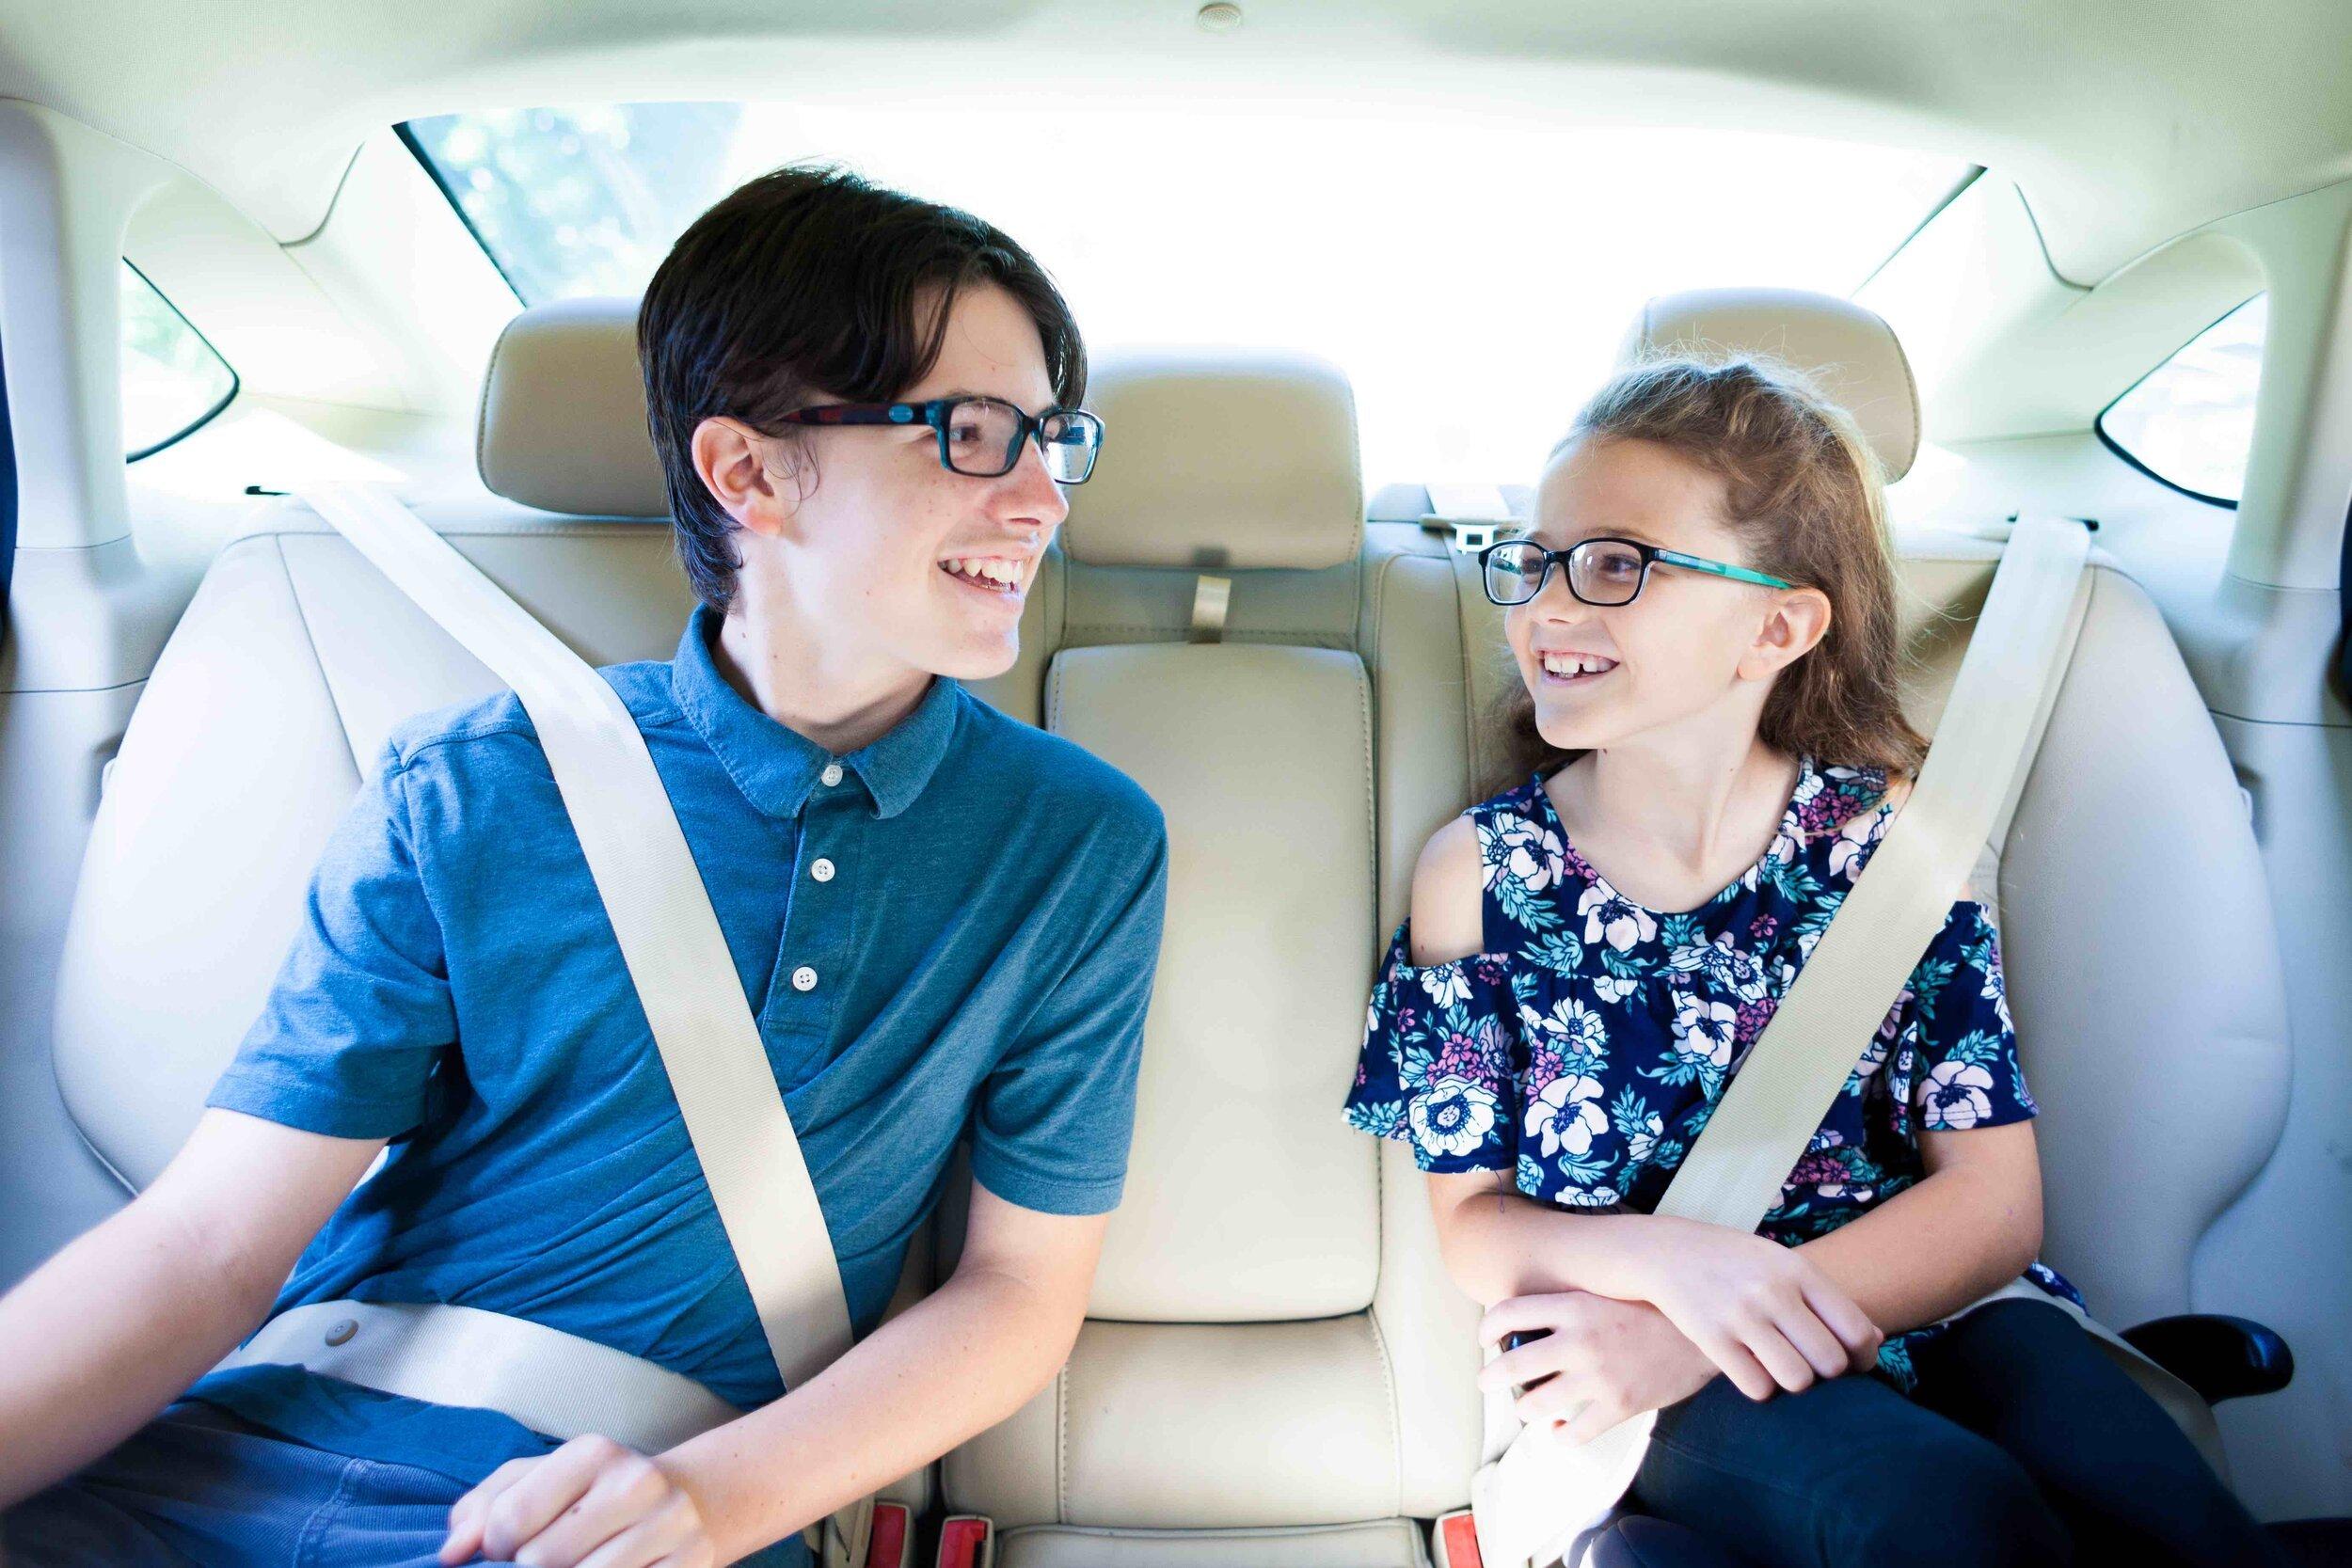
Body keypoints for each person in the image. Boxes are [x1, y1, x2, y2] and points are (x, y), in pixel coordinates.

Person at [0, 164, 1168, 1568]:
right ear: (748, 471)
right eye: (973, 433)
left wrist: (715, 1501)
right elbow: (207, 1248)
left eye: (1054, 436)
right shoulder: (472, 785)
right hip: (232, 1450)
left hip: (620, 1507)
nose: (1042, 497)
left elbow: (1020, 1292)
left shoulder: (1077, 842)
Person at [1342, 354, 2288, 1566]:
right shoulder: (1480, 875)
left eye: (1617, 564)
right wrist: (1680, 1283)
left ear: (1777, 625)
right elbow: (1473, 1223)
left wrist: (1723, 1318)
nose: (1545, 606)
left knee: (2173, 1515)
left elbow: (1995, 1203)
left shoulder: (1893, 849)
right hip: (1646, 1365)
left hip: (1937, 1312)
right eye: (1531, 561)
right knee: (1948, 1517)